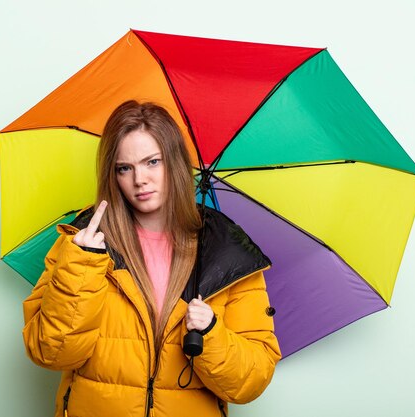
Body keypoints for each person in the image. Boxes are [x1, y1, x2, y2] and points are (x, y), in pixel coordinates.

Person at [22, 100, 281, 417]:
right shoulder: (82, 242)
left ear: (174, 163)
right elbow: (51, 353)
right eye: (124, 168)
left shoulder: (227, 252)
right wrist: (82, 266)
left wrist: (211, 332)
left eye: (152, 162)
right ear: (112, 175)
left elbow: (251, 381)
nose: (139, 179)